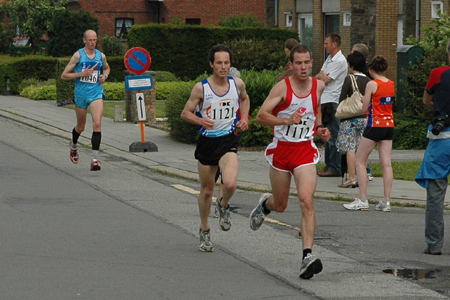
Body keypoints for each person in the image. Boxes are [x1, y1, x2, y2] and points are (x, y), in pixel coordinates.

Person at [249, 44, 330, 279]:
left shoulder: (319, 86)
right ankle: (266, 205)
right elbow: (261, 116)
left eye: (306, 63)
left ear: (312, 63)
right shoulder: (282, 88)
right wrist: (285, 121)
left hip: (304, 151)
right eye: (298, 63)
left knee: (306, 201)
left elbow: (314, 110)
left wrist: (320, 129)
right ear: (291, 65)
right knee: (281, 205)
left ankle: (307, 256)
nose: (303, 67)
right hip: (282, 151)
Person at [181, 44, 250, 252]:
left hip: (228, 141)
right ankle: (204, 229)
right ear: (211, 64)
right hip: (207, 143)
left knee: (229, 184)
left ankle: (223, 205)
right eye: (219, 63)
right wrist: (200, 121)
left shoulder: (237, 84)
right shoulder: (201, 88)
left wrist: (244, 117)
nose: (223, 67)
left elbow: (245, 100)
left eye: (226, 63)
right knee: (207, 190)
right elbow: (185, 113)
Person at [344, 56, 395, 212]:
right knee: (386, 163)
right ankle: (386, 201)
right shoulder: (391, 84)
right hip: (389, 124)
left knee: (359, 161)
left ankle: (363, 199)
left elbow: (365, 106)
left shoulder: (372, 84)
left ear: (371, 69)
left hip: (374, 124)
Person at [415, 40, 450, 255]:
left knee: (436, 191)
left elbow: (426, 100)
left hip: (442, 138)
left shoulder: (439, 73)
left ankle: (435, 244)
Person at [61, 29, 110, 171]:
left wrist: (104, 77)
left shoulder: (101, 56)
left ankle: (95, 159)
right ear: (84, 40)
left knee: (97, 123)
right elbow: (64, 75)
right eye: (90, 40)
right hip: (81, 95)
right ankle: (74, 145)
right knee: (81, 127)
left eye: (95, 40)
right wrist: (82, 73)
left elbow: (107, 69)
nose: (93, 42)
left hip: (96, 93)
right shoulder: (78, 56)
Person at [336, 51, 370, 188]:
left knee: (350, 148)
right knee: (363, 149)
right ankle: (363, 176)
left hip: (350, 119)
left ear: (351, 66)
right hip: (365, 118)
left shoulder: (349, 79)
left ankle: (351, 178)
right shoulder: (369, 81)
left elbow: (342, 98)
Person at [316, 33, 348, 177]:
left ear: (334, 44)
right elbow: (319, 75)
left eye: (326, 43)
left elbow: (325, 80)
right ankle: (329, 164)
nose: (325, 45)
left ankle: (335, 167)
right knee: (326, 132)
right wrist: (320, 77)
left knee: (333, 134)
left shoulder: (340, 60)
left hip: (333, 100)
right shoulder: (330, 58)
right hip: (325, 100)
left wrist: (320, 77)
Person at [352, 43, 374, 181]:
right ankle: (364, 170)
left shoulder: (363, 74)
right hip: (366, 113)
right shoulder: (368, 72)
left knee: (359, 145)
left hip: (362, 112)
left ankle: (365, 171)